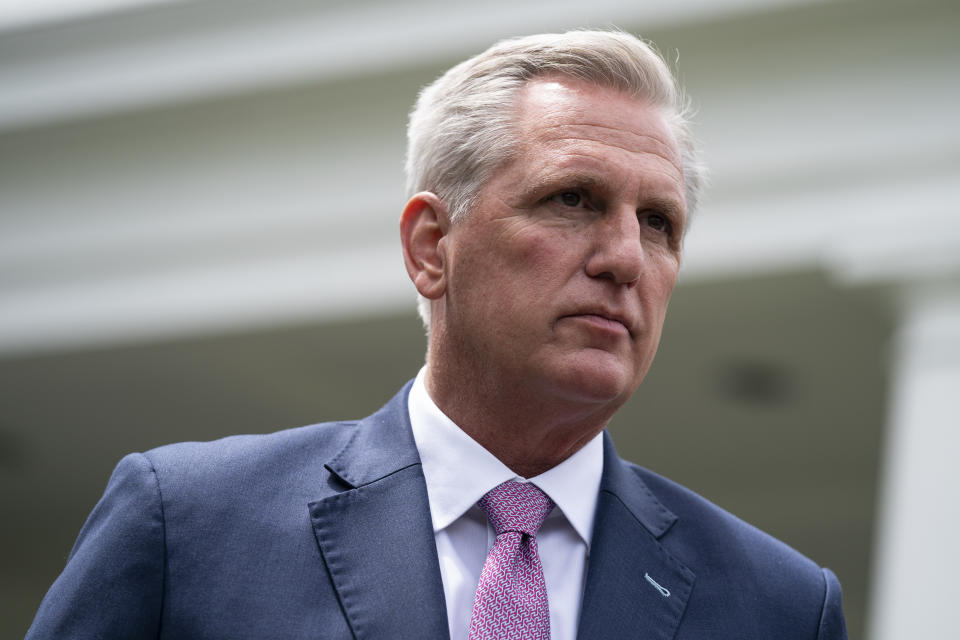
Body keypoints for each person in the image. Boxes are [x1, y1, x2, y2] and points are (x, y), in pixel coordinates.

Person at [27, 30, 847, 639]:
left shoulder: (780, 605)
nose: (626, 258)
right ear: (431, 248)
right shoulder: (188, 525)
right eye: (573, 200)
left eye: (659, 222)